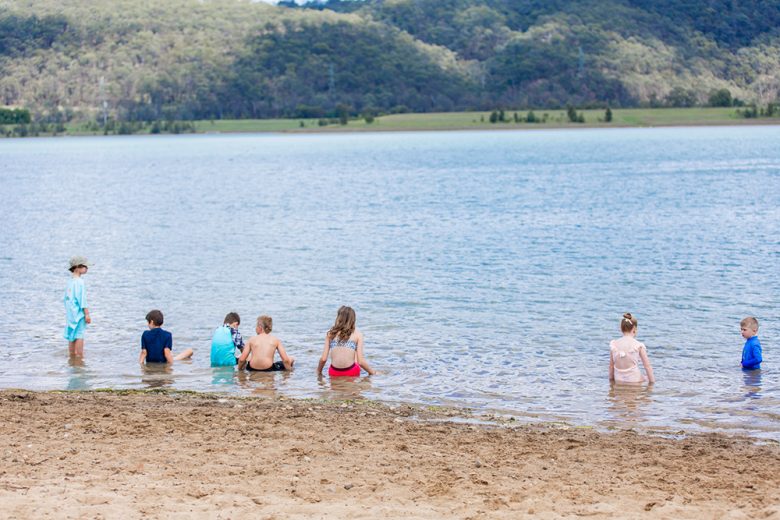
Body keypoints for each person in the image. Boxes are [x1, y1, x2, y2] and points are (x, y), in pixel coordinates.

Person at [317, 306, 376, 377]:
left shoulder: (330, 334)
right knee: (354, 353)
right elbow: (361, 362)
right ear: (353, 320)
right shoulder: (358, 335)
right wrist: (372, 372)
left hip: (334, 372)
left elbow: (323, 359)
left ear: (338, 318)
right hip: (351, 371)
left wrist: (318, 372)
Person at [609, 312, 655, 384]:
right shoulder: (638, 345)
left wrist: (611, 382)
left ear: (621, 329)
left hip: (618, 380)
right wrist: (652, 383)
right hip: (634, 380)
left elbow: (611, 366)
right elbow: (647, 366)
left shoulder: (614, 344)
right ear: (634, 329)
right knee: (644, 379)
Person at [64, 256, 91, 358]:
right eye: (85, 266)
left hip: (71, 313)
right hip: (79, 313)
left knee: (72, 335)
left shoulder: (70, 281)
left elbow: (66, 298)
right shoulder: (80, 282)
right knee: (79, 334)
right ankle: (79, 356)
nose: (87, 269)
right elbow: (82, 299)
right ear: (77, 267)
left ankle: (72, 355)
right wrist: (87, 314)